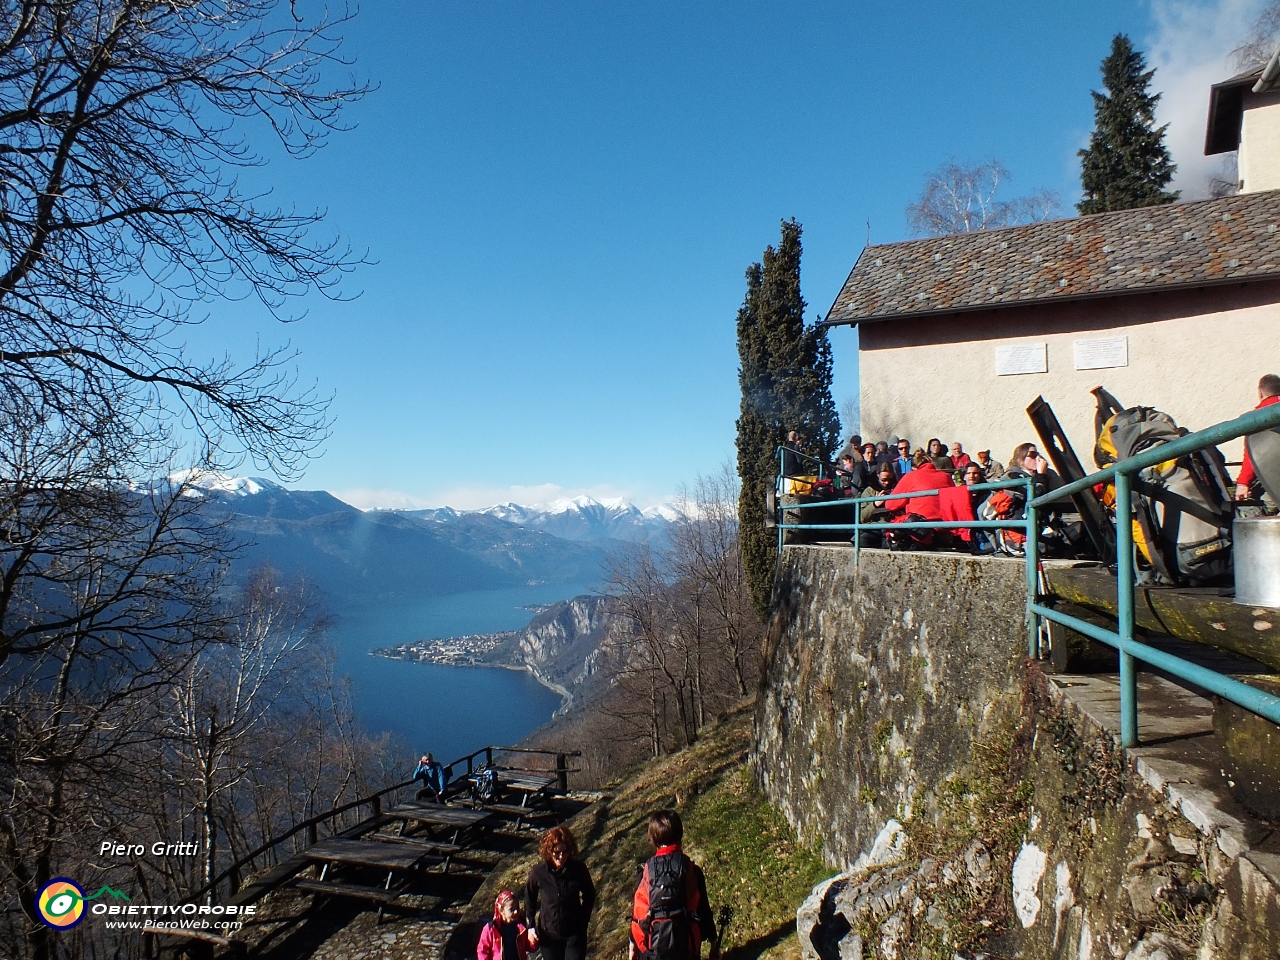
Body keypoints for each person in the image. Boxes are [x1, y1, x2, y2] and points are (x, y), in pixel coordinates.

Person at [629, 810, 718, 960]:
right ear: (679, 834)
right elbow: (703, 910)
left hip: (652, 948)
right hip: (686, 946)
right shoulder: (692, 870)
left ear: (653, 839)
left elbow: (638, 913)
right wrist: (714, 942)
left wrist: (633, 947)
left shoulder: (646, 872)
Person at [525, 826, 595, 960]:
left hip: (574, 934)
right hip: (548, 935)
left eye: (565, 851)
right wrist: (530, 926)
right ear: (549, 851)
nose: (561, 857)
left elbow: (589, 895)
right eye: (557, 852)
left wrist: (583, 922)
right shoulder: (538, 872)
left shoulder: (578, 869)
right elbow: (530, 897)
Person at [1234, 373, 1280, 500]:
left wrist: (1243, 482)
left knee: (1253, 510)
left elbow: (1254, 454)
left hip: (1275, 478)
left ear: (1260, 393)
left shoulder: (1257, 417)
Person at [479, 891, 535, 960]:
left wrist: (534, 940)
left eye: (517, 907)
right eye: (511, 909)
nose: (516, 911)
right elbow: (482, 950)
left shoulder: (521, 926)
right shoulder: (491, 928)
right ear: (501, 911)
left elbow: (529, 946)